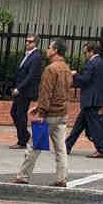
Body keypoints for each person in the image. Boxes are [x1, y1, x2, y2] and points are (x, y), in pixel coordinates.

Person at [14, 39, 73, 187]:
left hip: (49, 115)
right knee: (61, 149)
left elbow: (46, 93)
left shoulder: (50, 69)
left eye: (49, 47)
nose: (47, 50)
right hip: (62, 113)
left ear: (55, 50)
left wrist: (41, 111)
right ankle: (62, 178)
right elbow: (64, 92)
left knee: (34, 146)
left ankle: (23, 176)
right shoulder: (66, 68)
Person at [65, 42, 103, 158]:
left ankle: (102, 149)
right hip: (97, 99)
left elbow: (85, 80)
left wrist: (74, 74)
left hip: (90, 100)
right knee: (79, 125)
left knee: (94, 126)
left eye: (85, 52)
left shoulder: (91, 63)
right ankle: (67, 146)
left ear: (91, 52)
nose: (85, 55)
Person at [9, 34, 43, 149]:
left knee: (20, 114)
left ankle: (22, 140)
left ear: (35, 43)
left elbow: (31, 76)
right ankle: (25, 136)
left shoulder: (36, 57)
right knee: (15, 113)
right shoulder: (27, 55)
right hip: (20, 90)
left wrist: (19, 88)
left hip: (25, 91)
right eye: (26, 41)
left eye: (30, 41)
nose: (27, 43)